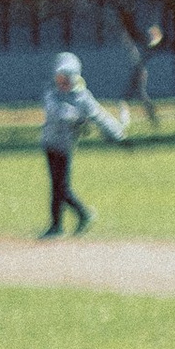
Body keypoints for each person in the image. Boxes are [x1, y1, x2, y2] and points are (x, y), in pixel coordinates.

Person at [41, 49, 125, 234]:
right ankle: (59, 224)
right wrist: (79, 118)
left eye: (66, 77)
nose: (62, 81)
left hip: (64, 147)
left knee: (61, 187)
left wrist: (116, 133)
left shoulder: (83, 97)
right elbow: (57, 112)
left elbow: (99, 116)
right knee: (57, 186)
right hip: (49, 144)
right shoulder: (51, 94)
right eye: (60, 76)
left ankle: (78, 217)